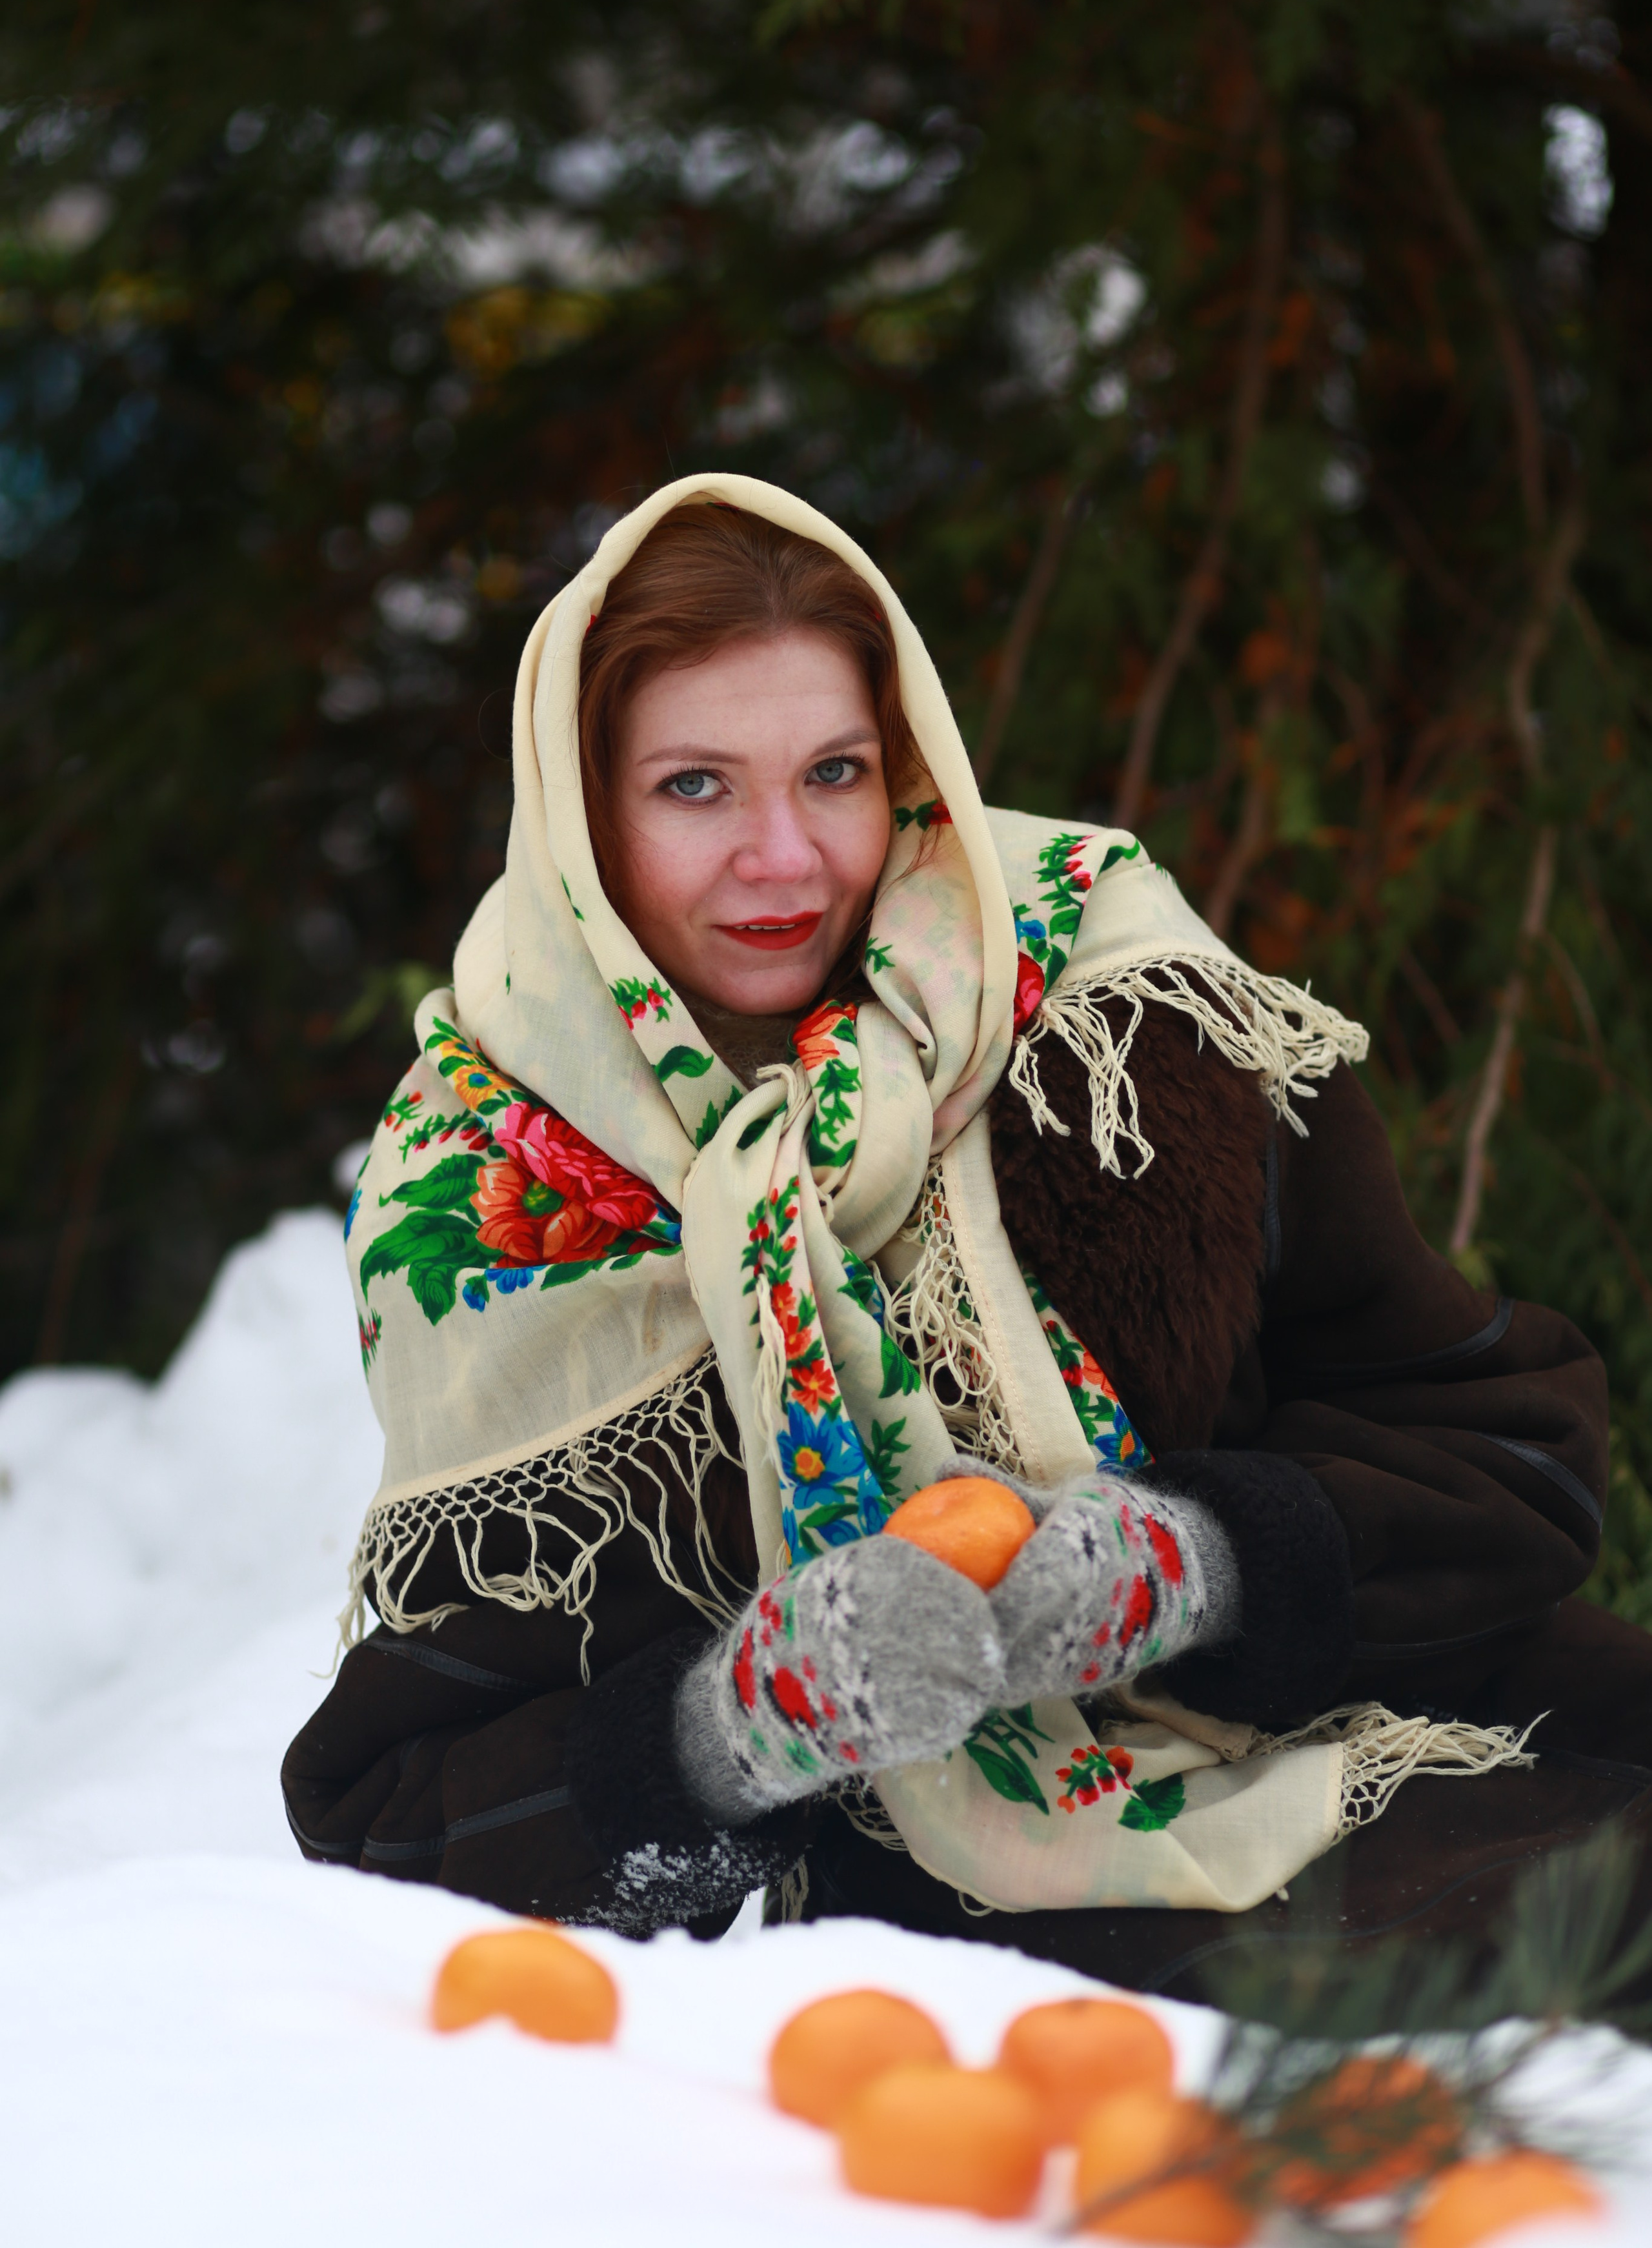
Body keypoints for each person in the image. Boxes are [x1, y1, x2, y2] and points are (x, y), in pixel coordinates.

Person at [284, 475, 1652, 1995]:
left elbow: (1506, 1461)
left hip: (1389, 1763)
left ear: (909, 771)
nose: (784, 857)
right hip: (950, 1957)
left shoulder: (1110, 1024)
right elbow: (398, 1817)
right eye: (694, 787)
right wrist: (740, 1723)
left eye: (834, 772)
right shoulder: (486, 1194)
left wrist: (1204, 1560)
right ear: (577, 812)